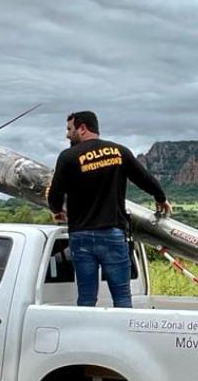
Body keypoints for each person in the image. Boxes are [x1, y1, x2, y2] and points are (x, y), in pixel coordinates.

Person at [47, 111, 171, 308]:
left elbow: (54, 195)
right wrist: (161, 198)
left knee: (86, 297)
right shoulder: (118, 152)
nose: (67, 135)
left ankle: (86, 336)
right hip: (112, 233)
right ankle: (124, 335)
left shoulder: (68, 157)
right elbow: (144, 179)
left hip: (81, 235)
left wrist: (56, 211)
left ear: (82, 128)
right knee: (122, 296)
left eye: (70, 129)